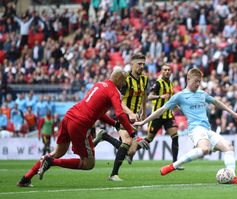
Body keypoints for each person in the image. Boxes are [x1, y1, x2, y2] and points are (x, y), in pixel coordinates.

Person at [16, 68, 147, 187]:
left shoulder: (99, 85)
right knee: (88, 163)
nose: (124, 84)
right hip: (80, 124)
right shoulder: (114, 91)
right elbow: (120, 113)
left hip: (69, 116)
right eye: (123, 81)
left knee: (58, 152)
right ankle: (51, 162)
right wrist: (132, 132)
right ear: (118, 79)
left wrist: (115, 124)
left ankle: (25, 178)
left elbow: (98, 113)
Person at [134, 68, 237, 184]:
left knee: (228, 147)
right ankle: (173, 166)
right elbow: (161, 110)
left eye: (200, 82)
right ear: (188, 79)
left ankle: (232, 177)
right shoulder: (180, 96)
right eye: (196, 81)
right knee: (205, 149)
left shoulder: (202, 94)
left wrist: (232, 113)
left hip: (207, 129)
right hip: (195, 129)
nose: (198, 84)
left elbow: (216, 102)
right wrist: (144, 122)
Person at [94, 53, 149, 181]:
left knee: (130, 151)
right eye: (139, 64)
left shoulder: (145, 79)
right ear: (132, 64)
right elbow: (119, 101)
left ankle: (104, 136)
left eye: (143, 64)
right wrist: (130, 112)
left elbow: (144, 95)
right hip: (123, 115)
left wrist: (144, 111)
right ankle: (113, 174)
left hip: (134, 118)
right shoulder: (126, 80)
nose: (141, 66)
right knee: (127, 142)